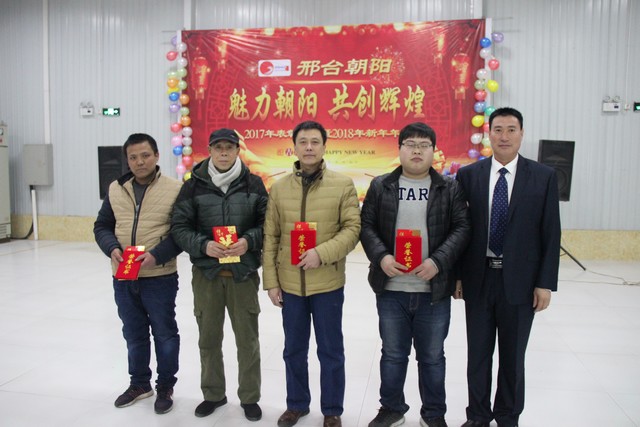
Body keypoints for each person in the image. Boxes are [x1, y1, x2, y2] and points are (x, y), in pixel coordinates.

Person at [360, 122, 471, 427]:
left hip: (433, 289)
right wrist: (382, 257)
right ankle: (391, 408)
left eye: (424, 145)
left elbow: (462, 228)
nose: (417, 150)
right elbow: (366, 226)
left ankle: (433, 414)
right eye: (410, 144)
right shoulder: (381, 185)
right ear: (399, 149)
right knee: (393, 354)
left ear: (434, 151)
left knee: (432, 357)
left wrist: (438, 261)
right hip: (391, 288)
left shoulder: (448, 187)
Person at [455, 107, 561, 427]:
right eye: (498, 129)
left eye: (511, 130)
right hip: (478, 278)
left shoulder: (543, 176)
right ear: (488, 134)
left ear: (522, 134)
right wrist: (457, 275)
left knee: (513, 357)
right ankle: (477, 416)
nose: (504, 136)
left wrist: (545, 283)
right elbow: (459, 230)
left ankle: (508, 416)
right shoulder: (469, 175)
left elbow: (550, 232)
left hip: (521, 282)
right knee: (478, 355)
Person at [262, 121, 361, 427]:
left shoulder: (342, 185)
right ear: (294, 147)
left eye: (314, 142)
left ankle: (332, 409)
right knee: (293, 350)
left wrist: (322, 253)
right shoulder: (279, 188)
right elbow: (271, 237)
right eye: (303, 142)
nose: (308, 147)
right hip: (290, 285)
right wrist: (271, 282)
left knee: (330, 351)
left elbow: (352, 229)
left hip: (327, 283)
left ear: (324, 147)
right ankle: (296, 405)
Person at [171, 128, 268, 422]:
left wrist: (248, 241)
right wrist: (204, 245)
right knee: (208, 339)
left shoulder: (254, 184)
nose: (224, 153)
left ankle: (249, 397)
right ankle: (213, 394)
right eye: (218, 147)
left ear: (238, 151)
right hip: (208, 274)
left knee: (247, 341)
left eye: (229, 147)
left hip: (243, 274)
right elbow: (179, 227)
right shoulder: (193, 186)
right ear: (210, 150)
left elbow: (268, 224)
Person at [94, 133, 182, 414]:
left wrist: (157, 255)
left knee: (165, 334)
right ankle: (140, 384)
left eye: (145, 155)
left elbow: (181, 233)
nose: (139, 162)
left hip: (159, 276)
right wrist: (111, 248)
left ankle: (165, 386)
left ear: (156, 156)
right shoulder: (116, 189)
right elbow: (102, 226)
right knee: (133, 333)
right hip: (123, 276)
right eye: (133, 157)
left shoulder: (174, 189)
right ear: (127, 160)